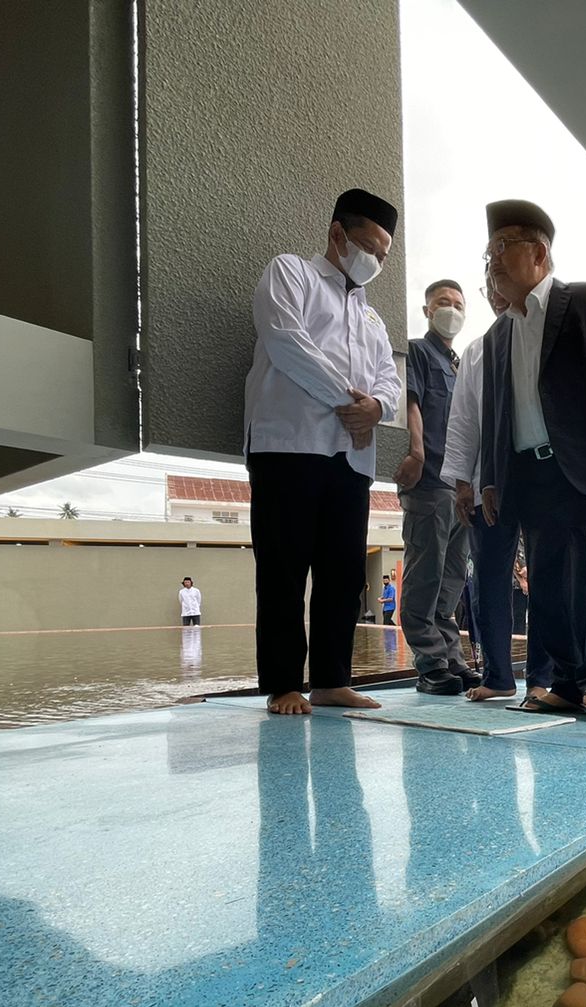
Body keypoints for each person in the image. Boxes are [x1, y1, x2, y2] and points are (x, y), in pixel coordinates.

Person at [244, 186, 399, 715]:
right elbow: (287, 341)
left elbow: (390, 381)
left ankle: (332, 680)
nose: (376, 260)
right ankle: (284, 684)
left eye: (383, 254)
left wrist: (377, 407)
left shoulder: (373, 318)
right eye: (369, 247)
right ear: (337, 233)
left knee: (343, 571)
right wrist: (351, 405)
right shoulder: (292, 273)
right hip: (289, 446)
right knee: (284, 567)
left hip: (351, 459)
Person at [478, 199, 586, 717]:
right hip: (528, 470)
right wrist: (492, 479)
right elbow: (498, 413)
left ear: (539, 252)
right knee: (544, 581)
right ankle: (564, 681)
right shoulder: (500, 333)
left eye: (502, 248)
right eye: (489, 251)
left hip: (584, 464)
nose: (493, 260)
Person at [442, 274, 556, 703]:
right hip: (485, 476)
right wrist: (461, 482)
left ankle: (542, 676)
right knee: (488, 573)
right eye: (488, 286)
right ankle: (498, 674)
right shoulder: (477, 351)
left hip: (539, 472)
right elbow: (464, 420)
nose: (495, 292)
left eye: (501, 282)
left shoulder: (545, 337)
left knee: (544, 573)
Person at [398, 278, 480, 695]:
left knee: (451, 580)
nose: (451, 309)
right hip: (428, 482)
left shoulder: (461, 363)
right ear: (428, 309)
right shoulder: (417, 351)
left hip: (459, 488)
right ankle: (429, 663)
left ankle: (452, 658)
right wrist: (416, 452)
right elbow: (410, 401)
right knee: (425, 575)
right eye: (443, 303)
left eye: (458, 304)